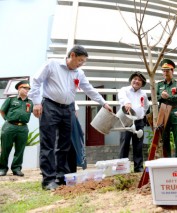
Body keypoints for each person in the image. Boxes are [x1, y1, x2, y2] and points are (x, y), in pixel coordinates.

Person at [28, 45, 113, 191]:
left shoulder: (79, 73)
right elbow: (36, 81)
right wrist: (36, 102)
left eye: (83, 61)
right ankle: (48, 180)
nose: (81, 64)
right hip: (50, 106)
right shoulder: (52, 64)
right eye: (80, 60)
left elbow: (89, 89)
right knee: (48, 143)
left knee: (64, 145)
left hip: (68, 109)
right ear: (72, 55)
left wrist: (103, 102)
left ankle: (61, 177)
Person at [0, 80, 33, 177]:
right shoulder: (11, 99)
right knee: (5, 148)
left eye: (28, 89)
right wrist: (7, 120)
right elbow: (2, 111)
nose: (27, 90)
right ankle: (2, 168)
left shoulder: (30, 102)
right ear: (19, 88)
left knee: (20, 149)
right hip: (9, 126)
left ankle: (16, 168)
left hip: (23, 128)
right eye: (25, 88)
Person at [118, 71, 149, 172]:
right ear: (131, 80)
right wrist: (127, 102)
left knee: (138, 145)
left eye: (139, 80)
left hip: (139, 122)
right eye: (135, 79)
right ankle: (122, 168)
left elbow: (146, 106)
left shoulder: (143, 94)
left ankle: (138, 167)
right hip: (126, 120)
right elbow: (122, 97)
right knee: (124, 144)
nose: (136, 81)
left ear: (142, 83)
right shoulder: (124, 90)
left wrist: (142, 114)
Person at [157, 58, 177, 157]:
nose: (165, 73)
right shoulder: (159, 85)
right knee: (165, 136)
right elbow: (155, 97)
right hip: (164, 112)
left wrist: (169, 97)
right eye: (163, 71)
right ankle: (167, 158)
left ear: (172, 71)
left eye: (167, 70)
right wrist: (161, 96)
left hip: (175, 110)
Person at [67, 103, 87, 173]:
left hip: (72, 124)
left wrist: (79, 127)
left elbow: (75, 113)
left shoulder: (70, 97)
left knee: (73, 149)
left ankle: (72, 173)